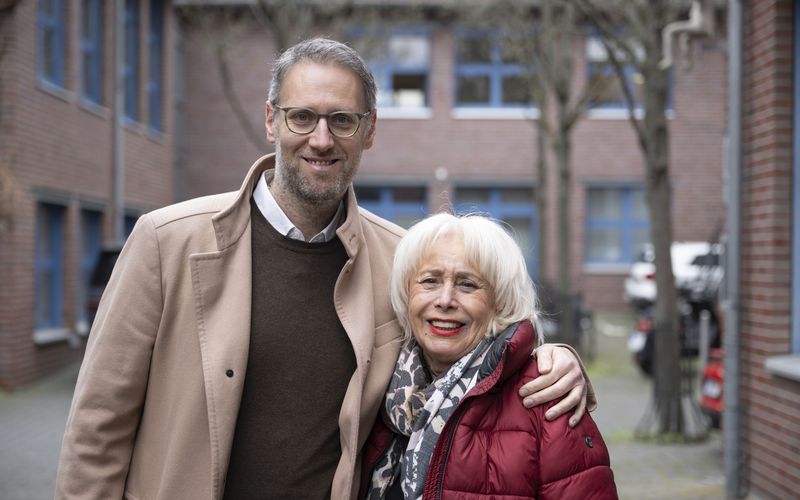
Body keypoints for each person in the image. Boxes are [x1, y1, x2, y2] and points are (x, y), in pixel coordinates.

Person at [55, 38, 594, 500]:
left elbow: (469, 352)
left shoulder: (402, 260)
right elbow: (97, 429)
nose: (320, 138)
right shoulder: (166, 241)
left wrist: (552, 358)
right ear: (272, 119)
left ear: (369, 129)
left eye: (342, 120)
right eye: (302, 116)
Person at [361, 213, 617, 499]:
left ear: (501, 302)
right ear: (407, 295)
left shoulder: (549, 396)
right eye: (430, 281)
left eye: (467, 284)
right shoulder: (377, 387)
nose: (445, 300)